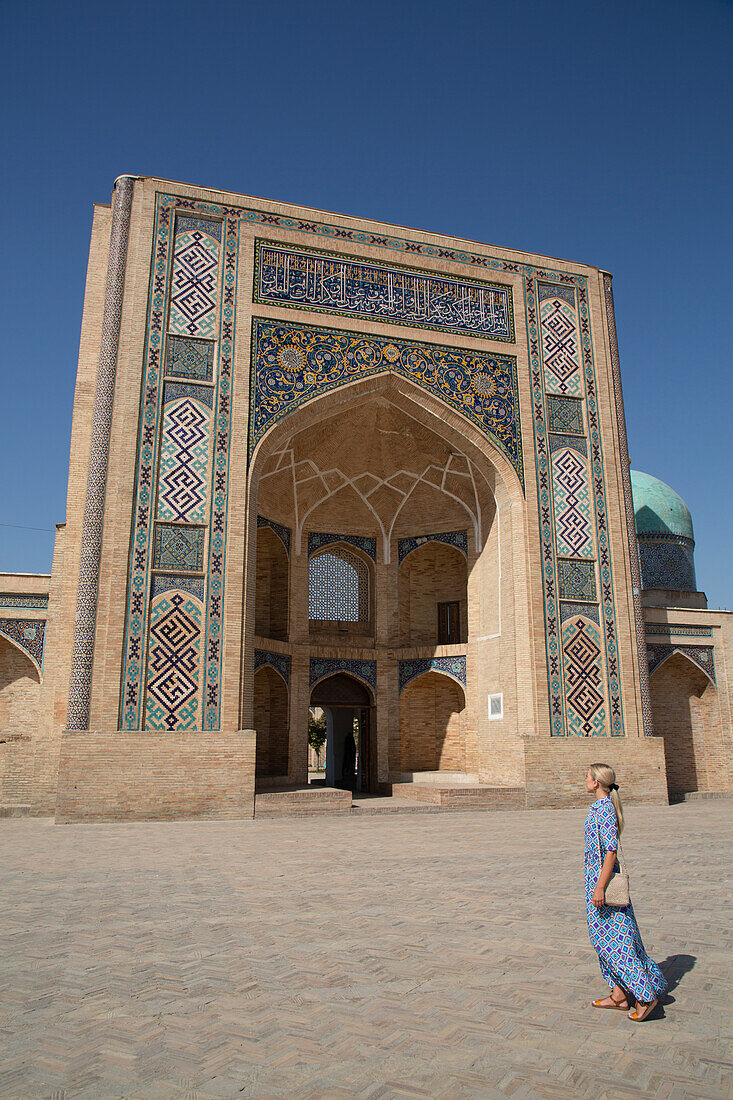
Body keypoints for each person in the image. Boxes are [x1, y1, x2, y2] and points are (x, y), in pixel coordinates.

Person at [584, 762, 667, 1021]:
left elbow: (611, 851)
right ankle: (619, 994)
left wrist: (599, 887)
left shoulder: (605, 809)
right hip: (595, 881)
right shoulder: (600, 807)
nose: (584, 780)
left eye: (587, 776)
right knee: (605, 940)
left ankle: (645, 995)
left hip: (604, 884)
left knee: (617, 943)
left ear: (596, 782)